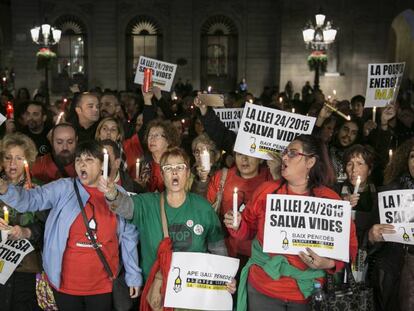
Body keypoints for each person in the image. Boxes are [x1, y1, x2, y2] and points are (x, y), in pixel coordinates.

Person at [0, 141, 141, 311]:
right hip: (65, 283)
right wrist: (5, 189)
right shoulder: (63, 188)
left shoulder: (118, 193)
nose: (82, 164)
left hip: (103, 283)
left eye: (89, 160)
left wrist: (133, 275)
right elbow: (31, 200)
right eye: (78, 160)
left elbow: (129, 237)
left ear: (101, 165)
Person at [223, 135, 357, 310]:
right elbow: (247, 230)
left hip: (309, 293)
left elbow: (349, 246)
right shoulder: (266, 191)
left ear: (310, 162)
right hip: (263, 288)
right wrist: (237, 224)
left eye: (292, 153)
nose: (284, 156)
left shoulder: (331, 200)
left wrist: (330, 264)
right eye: (285, 152)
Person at [98, 147, 236, 309]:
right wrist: (112, 192)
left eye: (180, 167)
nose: (175, 172)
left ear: (187, 173)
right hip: (159, 294)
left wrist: (226, 277)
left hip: (193, 295)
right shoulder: (147, 204)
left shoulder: (203, 207)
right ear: (163, 175)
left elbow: (218, 249)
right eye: (168, 168)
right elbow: (124, 206)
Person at [368, 137, 414, 311]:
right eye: (412, 156)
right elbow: (368, 236)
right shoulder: (389, 193)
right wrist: (372, 236)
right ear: (405, 161)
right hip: (392, 273)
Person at [0, 133, 45, 311]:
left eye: (19, 158)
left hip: (26, 266)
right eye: (8, 157)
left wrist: (27, 231)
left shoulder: (38, 188)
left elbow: (49, 226)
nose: (12, 164)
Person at [138, 119, 180, 192]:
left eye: (156, 136)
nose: (152, 139)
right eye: (150, 135)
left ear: (168, 140)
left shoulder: (176, 164)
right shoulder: (144, 164)